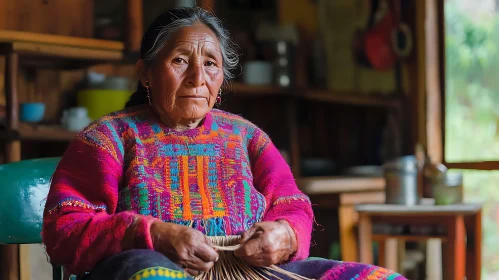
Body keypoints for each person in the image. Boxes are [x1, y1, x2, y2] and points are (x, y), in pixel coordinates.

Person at [42, 7, 406, 280]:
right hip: (150, 266)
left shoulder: (248, 137)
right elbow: (65, 228)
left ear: (221, 81)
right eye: (180, 60)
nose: (197, 78)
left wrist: (285, 233)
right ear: (146, 73)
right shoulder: (108, 138)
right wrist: (150, 233)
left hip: (251, 272)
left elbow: (293, 205)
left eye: (211, 64)